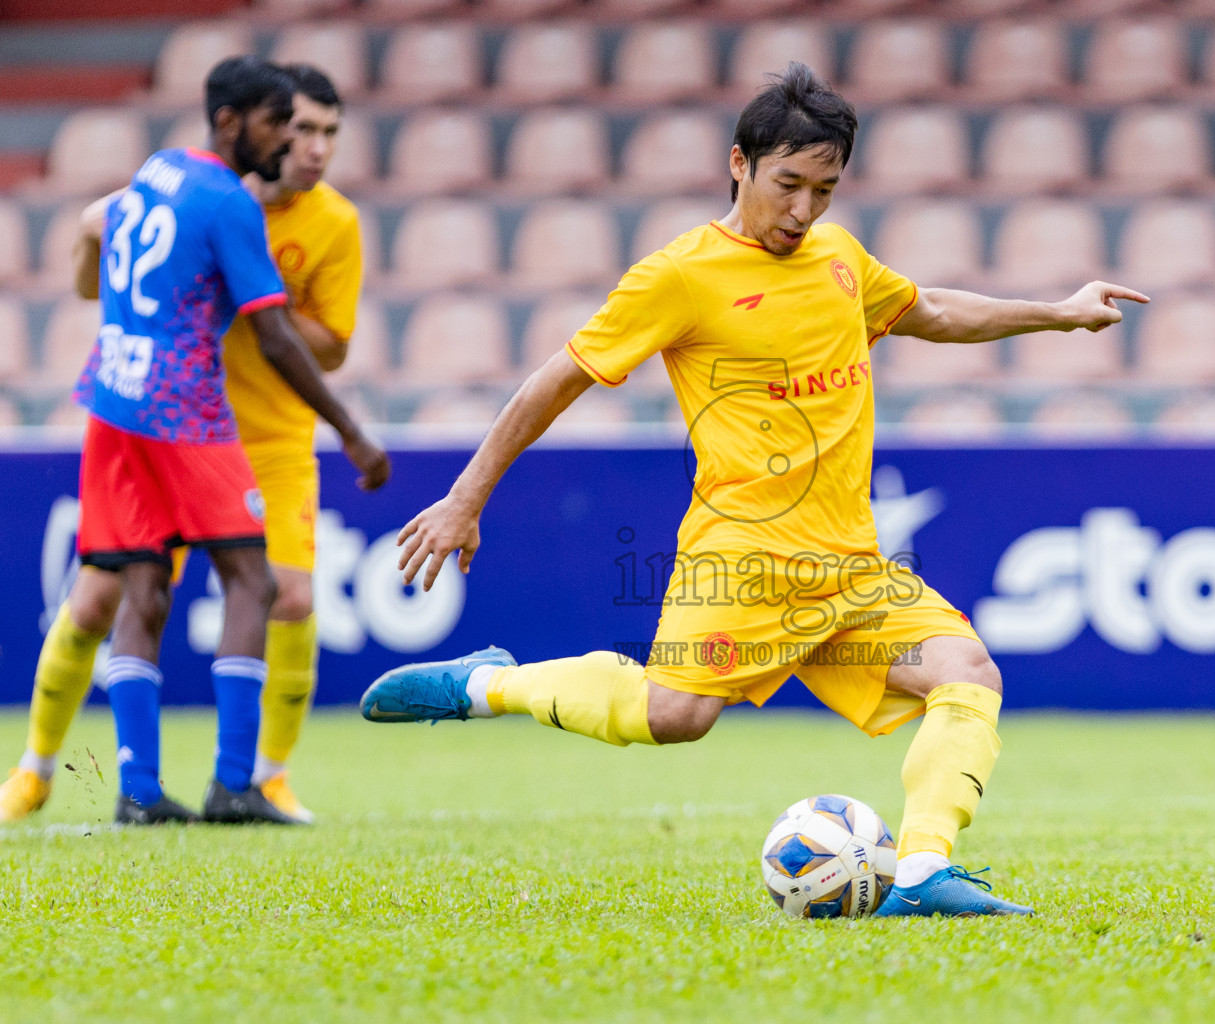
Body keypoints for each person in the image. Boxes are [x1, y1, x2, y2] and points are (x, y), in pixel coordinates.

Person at [359, 64, 1145, 916]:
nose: (803, 212)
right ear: (739, 163)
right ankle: (490, 685)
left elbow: (933, 313)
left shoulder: (839, 257)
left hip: (849, 573)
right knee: (674, 719)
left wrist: (1059, 312)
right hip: (742, 562)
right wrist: (466, 498)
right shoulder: (680, 275)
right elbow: (557, 379)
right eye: (788, 185)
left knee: (967, 671)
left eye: (825, 190)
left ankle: (919, 872)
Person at [3, 56, 388, 826]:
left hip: (142, 405)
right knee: (197, 589)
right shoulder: (228, 204)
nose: (301, 145)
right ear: (236, 123)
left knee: (179, 590)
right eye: (289, 125)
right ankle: (207, 782)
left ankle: (172, 788)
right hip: (189, 418)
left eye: (319, 132)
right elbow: (274, 335)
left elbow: (326, 343)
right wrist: (352, 431)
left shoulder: (165, 172)